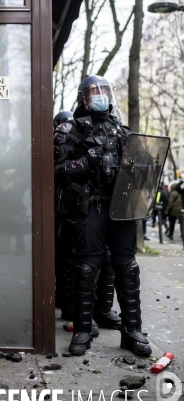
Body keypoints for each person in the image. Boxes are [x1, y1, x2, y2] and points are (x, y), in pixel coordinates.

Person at [54, 75, 152, 356]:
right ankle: (83, 329)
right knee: (87, 267)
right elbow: (55, 171)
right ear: (83, 97)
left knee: (127, 266)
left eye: (104, 91)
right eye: (94, 91)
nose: (100, 96)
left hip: (121, 208)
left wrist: (137, 166)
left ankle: (132, 331)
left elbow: (143, 169)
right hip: (89, 207)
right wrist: (88, 161)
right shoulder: (69, 130)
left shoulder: (122, 131)